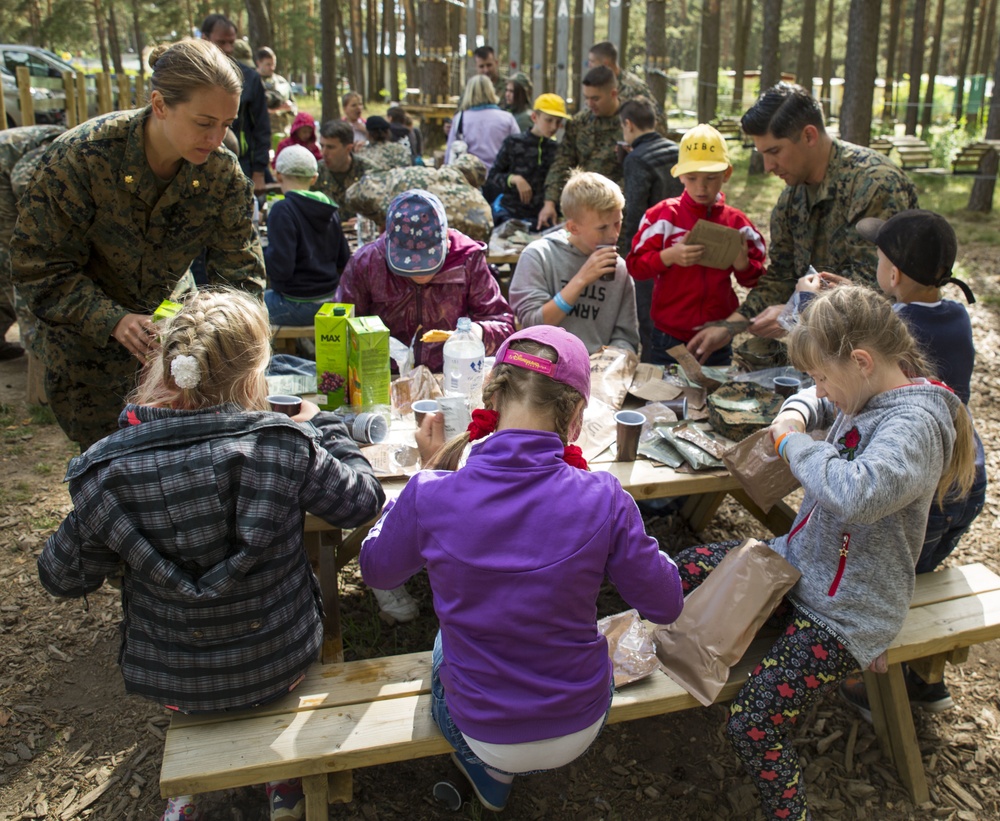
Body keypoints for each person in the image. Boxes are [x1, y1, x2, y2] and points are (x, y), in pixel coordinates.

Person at [36, 289, 385, 821]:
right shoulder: (283, 442)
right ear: (253, 380)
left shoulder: (106, 469)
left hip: (175, 680)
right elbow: (362, 500)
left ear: (163, 370)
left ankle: (185, 800)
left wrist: (116, 542)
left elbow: (60, 577)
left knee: (194, 685)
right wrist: (324, 426)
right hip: (280, 663)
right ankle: (282, 779)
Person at [673, 285, 976, 821]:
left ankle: (791, 813)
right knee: (676, 570)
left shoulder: (914, 426)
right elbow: (818, 399)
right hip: (798, 563)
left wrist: (794, 444)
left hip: (846, 612)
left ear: (861, 362)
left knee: (754, 721)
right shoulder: (867, 388)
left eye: (821, 377)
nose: (820, 390)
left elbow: (858, 493)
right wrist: (796, 409)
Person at [359, 324, 684, 812]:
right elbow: (666, 602)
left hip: (482, 729)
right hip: (582, 720)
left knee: (448, 638)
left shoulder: (430, 492)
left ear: (491, 397)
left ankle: (488, 770)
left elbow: (377, 570)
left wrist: (405, 497)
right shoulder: (604, 497)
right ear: (576, 415)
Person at [11, 39, 265, 451]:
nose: (217, 138)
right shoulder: (82, 159)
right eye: (204, 123)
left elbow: (241, 275)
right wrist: (111, 318)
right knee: (110, 482)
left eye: (227, 124)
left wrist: (227, 344)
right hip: (88, 360)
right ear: (160, 104)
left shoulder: (222, 175)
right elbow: (36, 267)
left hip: (177, 355)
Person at [831, 211, 987, 719]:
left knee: (874, 575)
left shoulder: (895, 330)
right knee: (916, 573)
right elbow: (901, 323)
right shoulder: (955, 315)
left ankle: (877, 686)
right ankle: (927, 676)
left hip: (924, 489)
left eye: (878, 259)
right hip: (964, 479)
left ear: (893, 273)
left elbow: (857, 366)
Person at [687, 82, 918, 363]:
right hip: (820, 338)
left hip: (875, 349)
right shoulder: (792, 198)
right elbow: (781, 275)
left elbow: (878, 293)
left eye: (774, 152)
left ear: (809, 135)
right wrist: (729, 327)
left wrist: (792, 313)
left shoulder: (873, 185)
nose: (768, 166)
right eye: (763, 155)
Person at [625, 123, 765, 367]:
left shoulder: (738, 224)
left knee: (711, 399)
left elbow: (757, 281)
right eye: (692, 178)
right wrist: (668, 256)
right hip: (668, 336)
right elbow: (635, 266)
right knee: (666, 401)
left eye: (711, 178)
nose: (701, 187)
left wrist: (742, 264)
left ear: (727, 174)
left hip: (717, 336)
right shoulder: (662, 217)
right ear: (679, 175)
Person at [337, 188, 514, 375]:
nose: (419, 274)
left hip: (451, 376)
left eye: (427, 263)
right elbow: (342, 328)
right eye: (408, 266)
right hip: (383, 379)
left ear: (446, 240)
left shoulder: (467, 259)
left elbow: (504, 327)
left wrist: (476, 333)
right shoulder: (368, 262)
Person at [509, 170, 639, 355]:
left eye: (618, 223)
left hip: (596, 373)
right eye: (602, 228)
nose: (613, 234)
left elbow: (626, 337)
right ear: (573, 227)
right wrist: (581, 279)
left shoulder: (618, 268)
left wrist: (611, 360)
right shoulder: (539, 256)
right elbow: (532, 326)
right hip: (545, 370)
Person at [617, 97, 681, 359]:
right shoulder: (677, 150)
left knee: (650, 320)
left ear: (628, 125)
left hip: (651, 253)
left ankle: (655, 373)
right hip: (684, 246)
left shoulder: (637, 159)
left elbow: (633, 213)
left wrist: (624, 257)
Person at [264, 145, 351, 326]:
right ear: (314, 178)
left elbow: (282, 269)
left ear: (278, 175)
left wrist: (263, 255)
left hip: (296, 302)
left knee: (244, 307)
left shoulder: (282, 210)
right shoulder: (329, 208)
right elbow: (343, 260)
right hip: (331, 300)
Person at [0, 125, 65, 360]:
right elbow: (22, 180)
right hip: (7, 182)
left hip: (10, 175)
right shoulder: (62, 152)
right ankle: (38, 358)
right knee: (24, 263)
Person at [538, 66, 624, 229]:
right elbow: (562, 163)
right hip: (582, 211)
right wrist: (550, 202)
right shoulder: (579, 123)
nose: (589, 104)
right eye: (587, 98)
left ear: (613, 94)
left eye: (595, 98)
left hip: (615, 215)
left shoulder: (628, 123)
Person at [344, 152, 493, 242]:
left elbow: (355, 193)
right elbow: (480, 252)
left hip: (400, 259)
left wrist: (379, 217)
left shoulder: (414, 174)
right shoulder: (479, 204)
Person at [201, 14, 270, 194]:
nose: (228, 49)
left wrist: (259, 172)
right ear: (205, 39)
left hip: (241, 163)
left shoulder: (250, 79)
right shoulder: (192, 77)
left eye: (232, 42)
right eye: (221, 42)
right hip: (199, 159)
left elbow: (262, 127)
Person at [486, 93, 570, 226]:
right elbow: (492, 177)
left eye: (558, 122)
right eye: (549, 120)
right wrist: (513, 179)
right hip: (511, 215)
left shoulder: (557, 150)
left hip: (544, 220)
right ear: (534, 117)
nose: (554, 127)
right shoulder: (513, 143)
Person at [444, 75, 520, 173]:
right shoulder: (507, 118)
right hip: (500, 179)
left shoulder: (460, 119)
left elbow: (449, 155)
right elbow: (518, 151)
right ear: (491, 91)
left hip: (470, 180)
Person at [587, 40, 666, 133]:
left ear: (606, 63)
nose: (589, 65)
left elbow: (659, 121)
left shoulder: (634, 87)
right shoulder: (594, 87)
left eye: (592, 61)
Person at [313, 118, 370, 224]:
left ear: (348, 148)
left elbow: (383, 212)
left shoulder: (368, 172)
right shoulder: (315, 172)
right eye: (322, 146)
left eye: (330, 147)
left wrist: (365, 220)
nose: (324, 153)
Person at [255, 46, 297, 138]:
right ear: (259, 63)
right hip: (261, 135)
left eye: (274, 64)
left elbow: (294, 107)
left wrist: (290, 107)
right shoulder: (253, 82)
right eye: (268, 64)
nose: (272, 68)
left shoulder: (281, 81)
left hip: (283, 133)